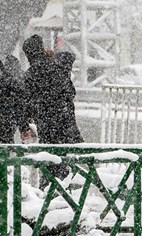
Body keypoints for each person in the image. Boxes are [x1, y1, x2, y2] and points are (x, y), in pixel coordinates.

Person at [21, 34, 84, 184]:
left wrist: (27, 121)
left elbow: (27, 104)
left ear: (29, 53)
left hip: (47, 127)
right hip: (65, 125)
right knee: (64, 164)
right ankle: (64, 193)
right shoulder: (57, 69)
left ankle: (50, 193)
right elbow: (70, 92)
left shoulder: (30, 74)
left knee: (49, 163)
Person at [0, 55, 28, 143]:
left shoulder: (6, 80)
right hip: (6, 122)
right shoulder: (10, 81)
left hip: (5, 121)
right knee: (7, 145)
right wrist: (23, 126)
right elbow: (19, 104)